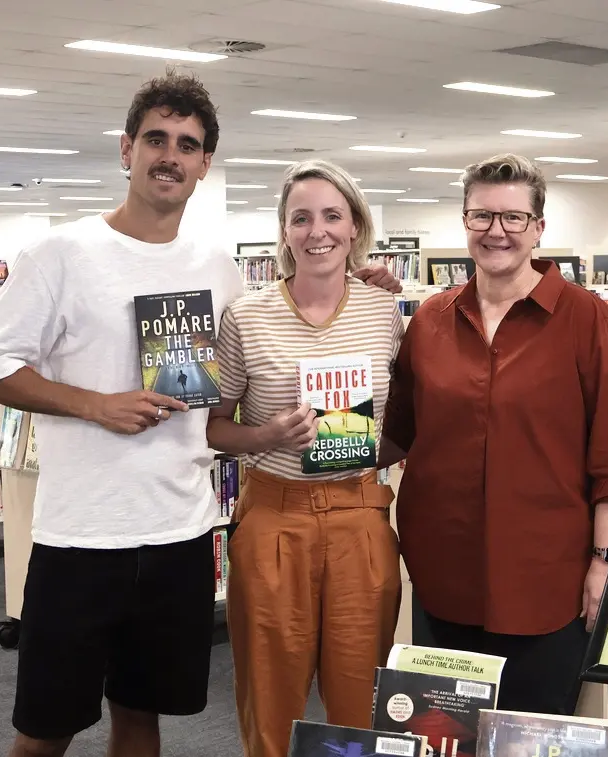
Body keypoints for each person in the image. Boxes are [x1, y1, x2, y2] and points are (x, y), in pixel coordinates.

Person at [0, 72, 401, 757]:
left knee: (143, 717)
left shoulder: (217, 267)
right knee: (44, 727)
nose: (170, 154)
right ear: (126, 149)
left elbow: (248, 366)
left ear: (204, 164)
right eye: (156, 139)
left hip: (181, 530)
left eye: (187, 144)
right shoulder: (60, 253)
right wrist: (95, 404)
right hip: (82, 532)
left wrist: (363, 278)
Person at [380, 153, 608, 717]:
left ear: (538, 228)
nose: (496, 231)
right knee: (446, 736)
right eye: (481, 217)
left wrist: (604, 561)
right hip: (444, 572)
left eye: (513, 218)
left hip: (547, 581)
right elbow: (395, 433)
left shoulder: (585, 317)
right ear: (465, 222)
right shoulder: (430, 319)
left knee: (533, 735)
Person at [207, 160, 404, 757]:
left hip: (360, 519)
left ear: (354, 227)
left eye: (331, 216)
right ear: (285, 232)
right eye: (301, 218)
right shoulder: (246, 315)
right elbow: (213, 428)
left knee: (360, 702)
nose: (316, 231)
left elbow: (405, 421)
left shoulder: (383, 311)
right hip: (275, 520)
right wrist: (267, 435)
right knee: (271, 699)